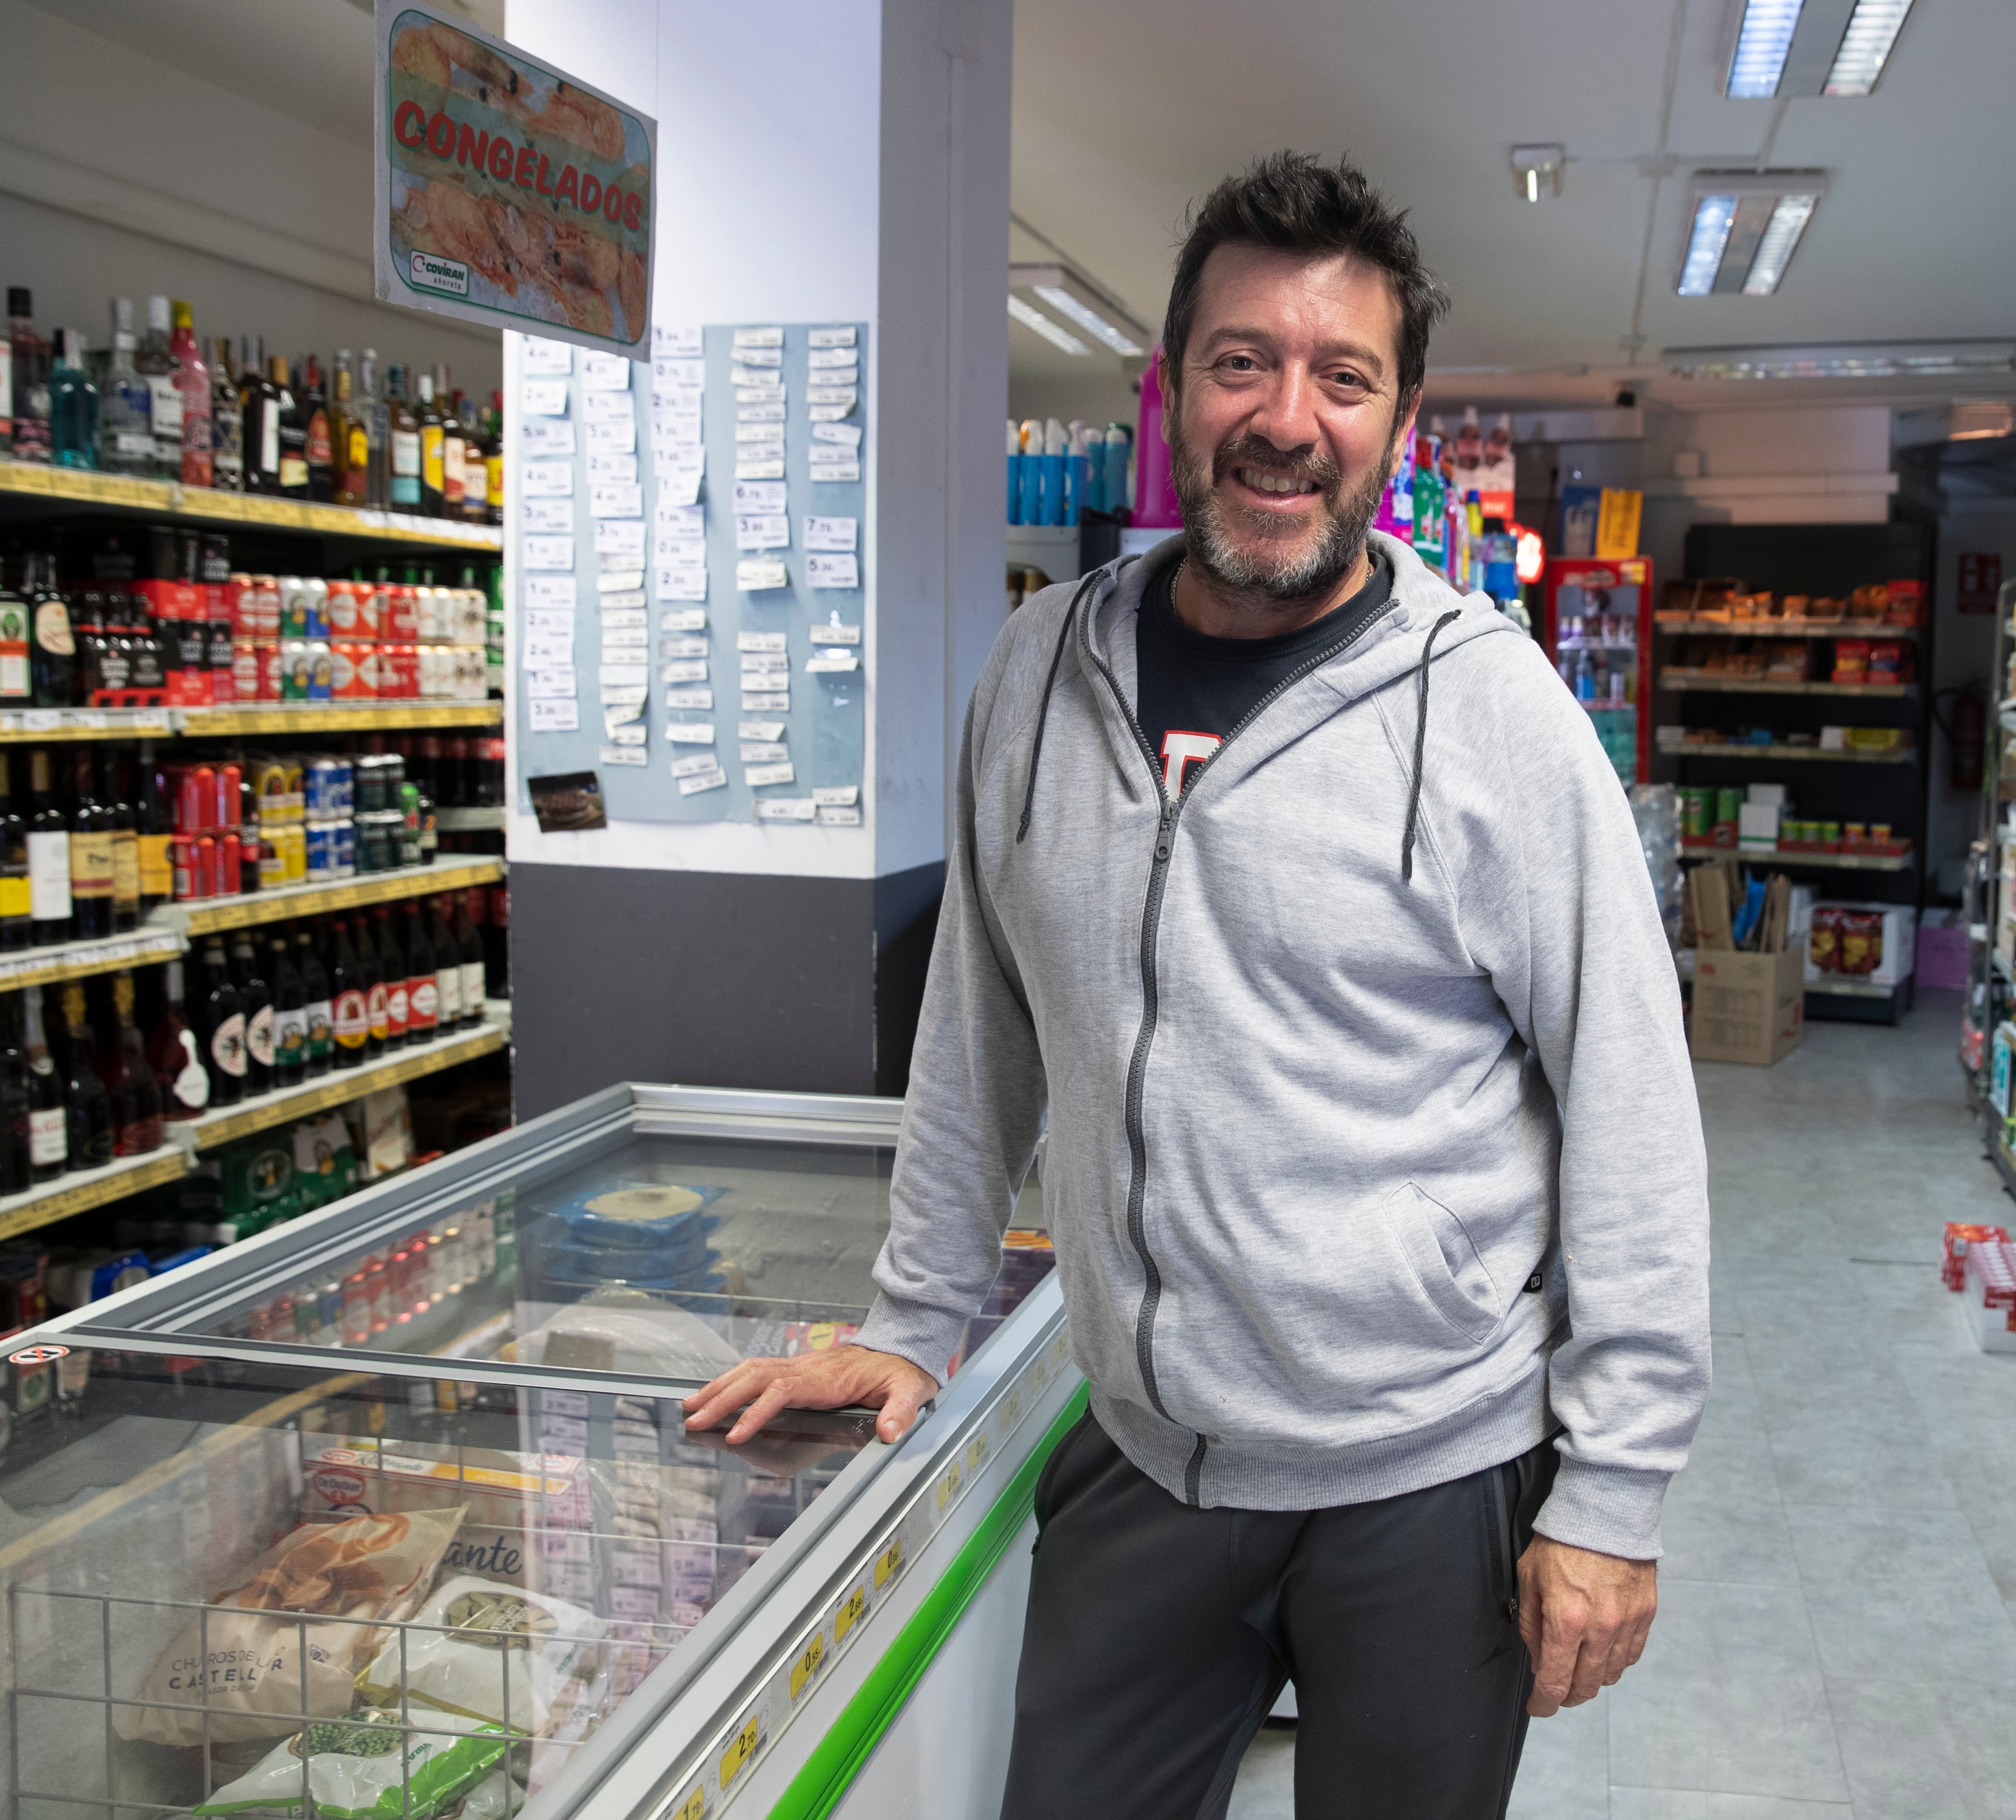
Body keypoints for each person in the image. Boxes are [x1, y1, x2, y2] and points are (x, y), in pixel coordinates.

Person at [684, 150, 1710, 1818]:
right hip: (1149, 1453)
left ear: (1398, 421)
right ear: (1167, 394)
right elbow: (978, 1025)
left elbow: (1633, 1102)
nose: (1286, 417)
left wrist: (1615, 1491)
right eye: (1243, 361)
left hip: (1428, 1478)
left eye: (1341, 376)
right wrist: (910, 1325)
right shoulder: (1036, 672)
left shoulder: (1492, 714)